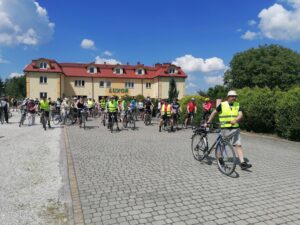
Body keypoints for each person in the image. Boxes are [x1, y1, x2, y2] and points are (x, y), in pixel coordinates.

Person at [205, 90, 252, 170]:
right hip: (225, 128)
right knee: (222, 145)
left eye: (235, 96)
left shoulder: (237, 105)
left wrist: (236, 120)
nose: (234, 98)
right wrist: (208, 122)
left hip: (235, 128)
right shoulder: (222, 105)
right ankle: (219, 159)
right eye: (233, 96)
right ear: (228, 97)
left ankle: (242, 163)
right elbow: (214, 113)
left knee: (238, 145)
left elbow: (241, 114)